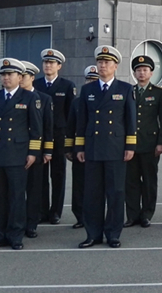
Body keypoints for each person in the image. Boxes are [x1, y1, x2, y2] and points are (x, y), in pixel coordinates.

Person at [74, 46, 137, 248]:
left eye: (107, 63)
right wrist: (80, 147)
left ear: (115, 66)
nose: (102, 66)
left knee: (116, 192)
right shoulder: (87, 89)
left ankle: (113, 233)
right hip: (92, 147)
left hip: (116, 148)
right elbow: (81, 121)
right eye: (100, 62)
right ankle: (93, 233)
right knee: (93, 193)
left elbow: (130, 120)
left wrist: (130, 145)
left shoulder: (125, 89)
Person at [0, 58, 43, 251]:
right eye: (3, 74)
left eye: (10, 74)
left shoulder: (30, 98)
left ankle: (15, 235)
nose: (6, 78)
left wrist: (32, 152)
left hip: (18, 154)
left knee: (16, 197)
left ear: (20, 77)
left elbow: (36, 129)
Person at [34, 48, 76, 224]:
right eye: (45, 62)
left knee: (57, 174)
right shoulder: (36, 85)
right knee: (40, 175)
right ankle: (42, 210)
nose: (48, 65)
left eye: (51, 63)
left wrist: (69, 142)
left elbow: (71, 115)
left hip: (59, 135)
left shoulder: (67, 86)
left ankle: (55, 211)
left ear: (59, 66)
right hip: (40, 135)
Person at [125, 55, 162, 228]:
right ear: (134, 73)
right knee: (131, 181)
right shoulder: (129, 91)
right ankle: (132, 215)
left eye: (145, 70)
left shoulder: (158, 92)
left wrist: (161, 142)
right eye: (138, 70)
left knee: (149, 181)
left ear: (151, 73)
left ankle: (147, 214)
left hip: (150, 143)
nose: (141, 73)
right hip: (131, 144)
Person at [20, 61, 53, 239]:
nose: (20, 80)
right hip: (15, 151)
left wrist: (47, 150)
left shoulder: (44, 99)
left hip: (36, 151)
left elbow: (48, 127)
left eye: (24, 76)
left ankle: (31, 224)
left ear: (32, 77)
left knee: (34, 190)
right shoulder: (11, 97)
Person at [66, 65, 100, 229]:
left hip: (98, 149)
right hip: (80, 149)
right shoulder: (77, 102)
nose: (91, 82)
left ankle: (96, 217)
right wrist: (68, 148)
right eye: (89, 80)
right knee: (79, 185)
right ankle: (80, 216)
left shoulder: (103, 100)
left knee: (97, 185)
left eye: (94, 79)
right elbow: (71, 127)